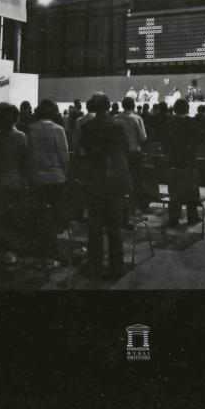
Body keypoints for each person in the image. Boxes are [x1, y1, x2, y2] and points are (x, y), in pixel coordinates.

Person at [80, 92, 132, 280]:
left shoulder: (86, 127)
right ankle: (116, 268)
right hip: (115, 180)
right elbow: (126, 148)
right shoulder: (118, 125)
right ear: (109, 105)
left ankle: (94, 266)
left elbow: (87, 152)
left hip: (95, 179)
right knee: (114, 226)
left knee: (94, 226)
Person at [27, 98, 69, 267]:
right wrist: (64, 173)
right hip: (56, 178)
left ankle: (41, 252)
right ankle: (52, 252)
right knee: (52, 217)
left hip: (36, 178)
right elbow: (64, 156)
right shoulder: (58, 129)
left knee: (40, 216)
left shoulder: (29, 129)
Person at [0, 102, 28, 240]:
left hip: (0, 179)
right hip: (16, 179)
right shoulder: (21, 136)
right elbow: (24, 159)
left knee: (0, 212)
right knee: (17, 212)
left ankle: (1, 239)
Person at [165, 98, 201, 227]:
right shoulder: (192, 122)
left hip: (173, 160)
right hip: (188, 161)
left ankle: (173, 219)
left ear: (175, 109)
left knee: (174, 192)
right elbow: (196, 140)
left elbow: (166, 141)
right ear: (187, 109)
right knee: (191, 191)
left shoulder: (169, 123)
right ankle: (192, 217)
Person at [119, 96, 147, 214]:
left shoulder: (116, 118)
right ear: (133, 106)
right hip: (134, 153)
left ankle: (123, 207)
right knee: (136, 181)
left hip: (120, 154)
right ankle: (134, 207)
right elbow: (143, 137)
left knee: (122, 180)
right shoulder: (137, 118)